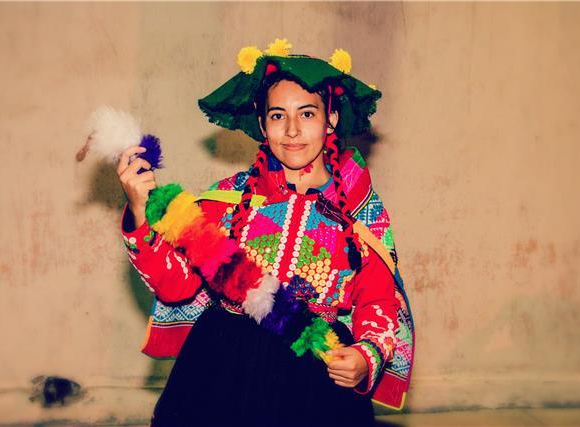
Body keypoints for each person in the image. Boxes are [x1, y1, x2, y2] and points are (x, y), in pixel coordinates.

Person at [116, 40, 414, 427]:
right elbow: (176, 287)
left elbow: (378, 299)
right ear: (262, 123)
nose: (292, 130)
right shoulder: (228, 199)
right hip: (223, 371)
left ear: (332, 119)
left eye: (307, 113)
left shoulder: (361, 212)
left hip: (315, 380)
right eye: (278, 115)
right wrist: (141, 210)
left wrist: (366, 355)